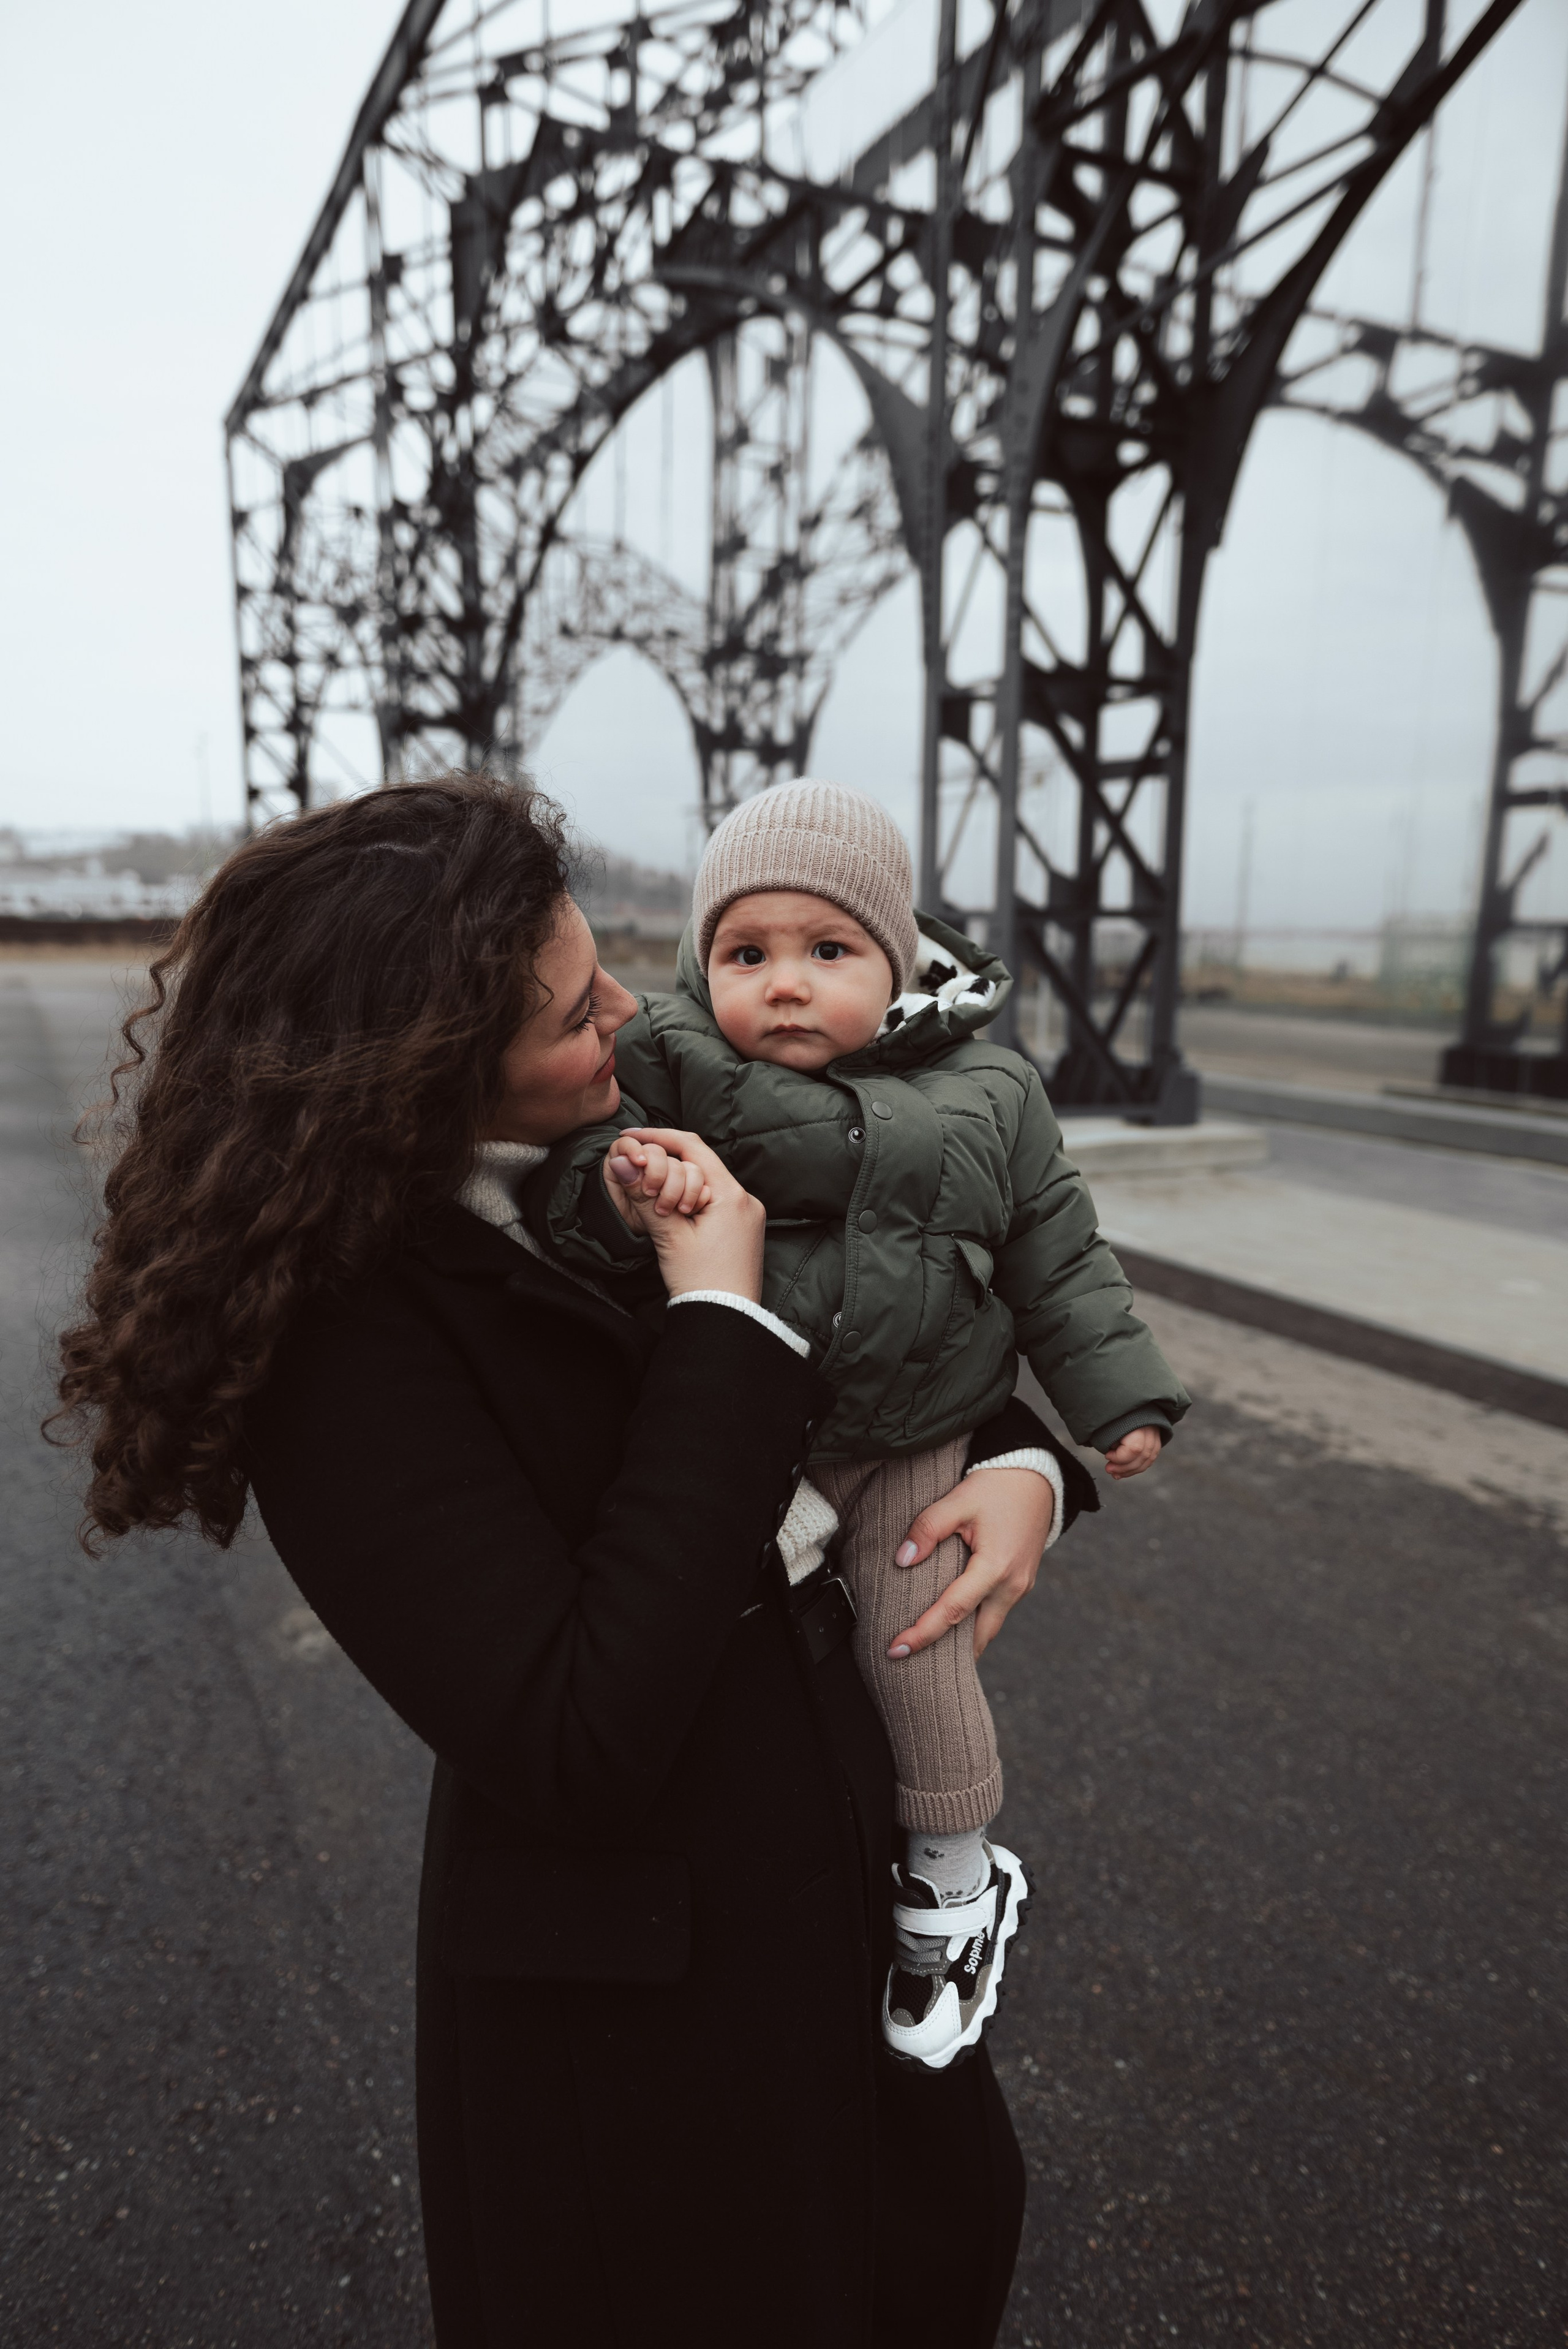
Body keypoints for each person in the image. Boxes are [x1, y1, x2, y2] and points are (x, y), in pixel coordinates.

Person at [51, 773, 1083, 2348]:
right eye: (566, 1011)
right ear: (422, 1074)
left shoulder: (628, 1138)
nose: (625, 1006)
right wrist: (720, 1317)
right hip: (644, 2035)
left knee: (924, 2254)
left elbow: (906, 1315)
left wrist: (1029, 1466)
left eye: (604, 963)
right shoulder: (343, 1347)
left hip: (834, 1878)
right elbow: (574, 1737)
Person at [523, 777, 1189, 2070]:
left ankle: (952, 1879)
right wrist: (615, 1199)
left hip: (917, 1433)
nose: (782, 983)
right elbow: (565, 1187)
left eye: (827, 952)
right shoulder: (665, 1060)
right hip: (745, 1426)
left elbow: (1059, 1258)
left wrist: (1115, 1402)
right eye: (745, 951)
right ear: (698, 960)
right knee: (725, 1636)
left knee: (912, 1641)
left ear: (897, 960)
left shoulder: (991, 1096)